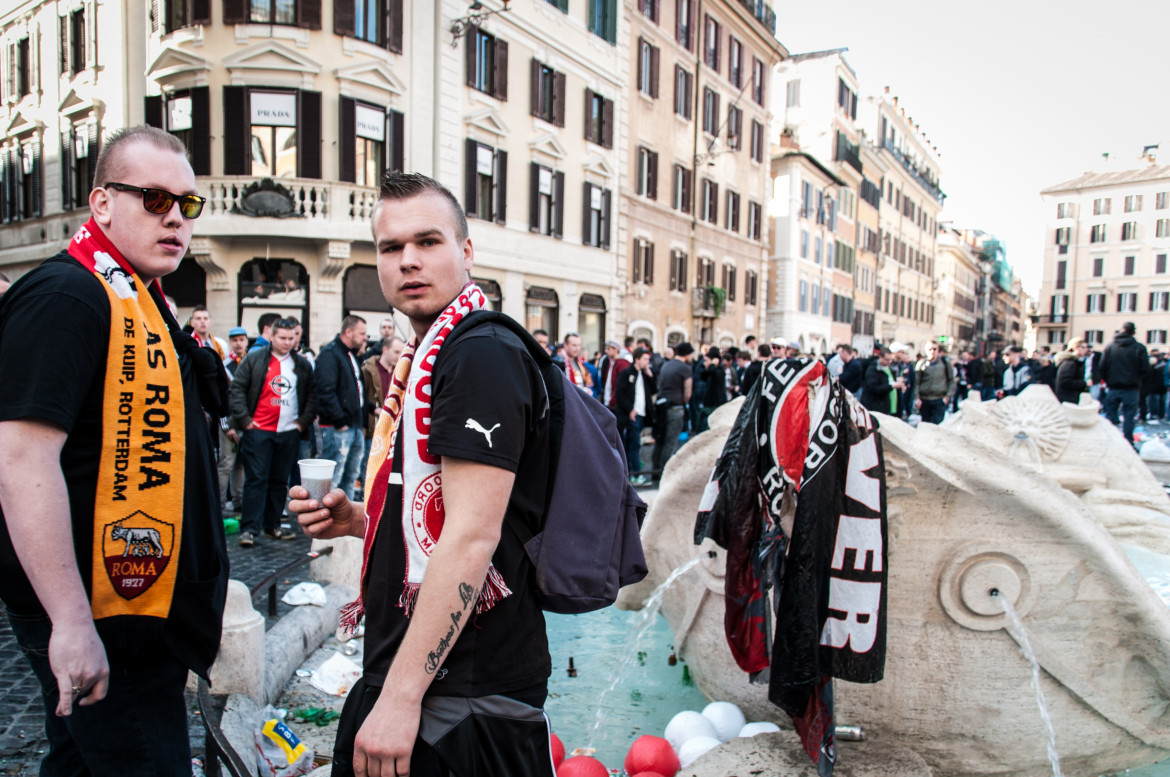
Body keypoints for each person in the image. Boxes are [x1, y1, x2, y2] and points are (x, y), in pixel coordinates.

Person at [291, 173, 556, 777]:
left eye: (428, 241)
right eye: (391, 247)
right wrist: (362, 521)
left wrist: (402, 697)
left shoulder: (476, 353)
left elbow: (471, 537)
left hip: (460, 694)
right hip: (431, 682)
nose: (408, 260)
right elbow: (441, 515)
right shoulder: (428, 354)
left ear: (466, 251)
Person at [0, 126, 228, 774]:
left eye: (188, 204)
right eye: (155, 198)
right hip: (105, 615)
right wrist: (71, 622)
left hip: (137, 610)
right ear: (102, 204)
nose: (175, 219)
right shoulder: (68, 296)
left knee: (78, 762)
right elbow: (20, 460)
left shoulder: (137, 296)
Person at [229, 318, 315, 546]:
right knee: (255, 480)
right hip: (258, 431)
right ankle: (249, 528)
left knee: (279, 481)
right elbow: (237, 389)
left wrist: (302, 423)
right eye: (283, 338)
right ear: (272, 336)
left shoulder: (302, 364)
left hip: (288, 432)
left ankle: (273, 525)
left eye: (292, 338)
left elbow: (311, 397)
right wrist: (246, 420)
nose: (288, 342)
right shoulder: (255, 359)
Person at [316, 315, 369, 500]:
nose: (365, 338)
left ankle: (344, 519)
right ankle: (325, 518)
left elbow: (357, 390)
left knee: (351, 476)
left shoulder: (349, 355)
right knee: (333, 479)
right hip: (339, 428)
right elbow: (325, 392)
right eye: (362, 333)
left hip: (354, 427)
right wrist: (340, 422)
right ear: (348, 332)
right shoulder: (330, 354)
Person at [360, 335, 405, 495]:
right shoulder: (368, 369)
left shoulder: (401, 371)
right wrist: (375, 410)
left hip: (393, 429)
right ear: (385, 349)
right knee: (367, 469)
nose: (399, 356)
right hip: (372, 427)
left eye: (401, 352)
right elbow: (361, 397)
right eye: (395, 352)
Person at [1099, 321, 1150, 446]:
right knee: (1129, 417)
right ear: (1133, 332)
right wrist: (1136, 378)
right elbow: (1145, 369)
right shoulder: (1139, 348)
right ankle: (1127, 443)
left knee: (1111, 416)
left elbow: (1102, 367)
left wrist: (1108, 380)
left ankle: (1110, 442)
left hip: (1113, 386)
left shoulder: (1110, 347)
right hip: (1131, 387)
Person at [653, 341, 694, 478]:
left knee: (660, 440)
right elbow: (688, 393)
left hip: (662, 406)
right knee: (670, 442)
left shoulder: (666, 364)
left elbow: (659, 384)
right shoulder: (685, 368)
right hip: (675, 407)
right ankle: (665, 473)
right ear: (687, 354)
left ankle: (655, 471)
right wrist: (683, 402)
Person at [617, 348, 656, 485]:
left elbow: (653, 389)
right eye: (645, 359)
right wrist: (630, 409)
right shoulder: (627, 374)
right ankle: (634, 473)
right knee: (633, 444)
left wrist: (649, 374)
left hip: (640, 414)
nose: (647, 362)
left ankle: (632, 473)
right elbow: (620, 394)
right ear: (637, 359)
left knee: (634, 444)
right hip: (630, 415)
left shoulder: (644, 375)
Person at [912, 341, 955, 425]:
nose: (932, 351)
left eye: (934, 349)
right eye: (930, 349)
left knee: (937, 424)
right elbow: (916, 383)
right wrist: (917, 398)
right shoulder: (921, 364)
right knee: (925, 424)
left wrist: (948, 396)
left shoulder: (945, 363)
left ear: (938, 350)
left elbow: (951, 381)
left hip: (939, 399)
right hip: (925, 399)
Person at [860, 347, 905, 415]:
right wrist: (891, 386)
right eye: (887, 360)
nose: (889, 362)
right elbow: (873, 388)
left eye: (890, 360)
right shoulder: (873, 369)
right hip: (877, 407)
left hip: (889, 407)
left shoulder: (889, 368)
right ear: (880, 357)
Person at [1054, 338, 1091, 405]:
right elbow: (1065, 382)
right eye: (1083, 347)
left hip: (1069, 399)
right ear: (1075, 348)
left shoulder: (1072, 362)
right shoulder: (1069, 363)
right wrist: (1085, 383)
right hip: (1068, 400)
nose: (1086, 350)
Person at [598, 339, 630, 414]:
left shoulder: (622, 363)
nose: (606, 351)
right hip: (608, 402)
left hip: (615, 405)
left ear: (616, 350)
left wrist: (613, 401)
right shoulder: (609, 362)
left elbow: (620, 385)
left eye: (609, 349)